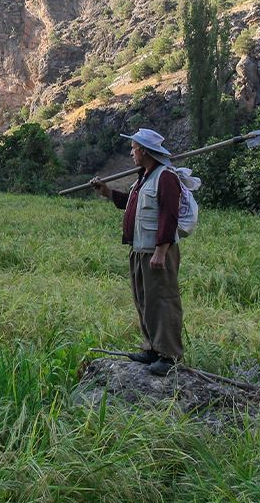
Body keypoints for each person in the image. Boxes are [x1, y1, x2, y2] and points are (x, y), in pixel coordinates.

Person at [89, 127, 183, 376]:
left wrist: (161, 251)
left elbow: (169, 215)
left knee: (163, 300)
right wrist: (107, 192)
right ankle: (152, 348)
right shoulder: (144, 178)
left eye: (133, 148)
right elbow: (130, 205)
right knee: (144, 300)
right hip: (139, 250)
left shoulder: (166, 177)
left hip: (157, 251)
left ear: (144, 151)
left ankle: (170, 355)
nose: (131, 153)